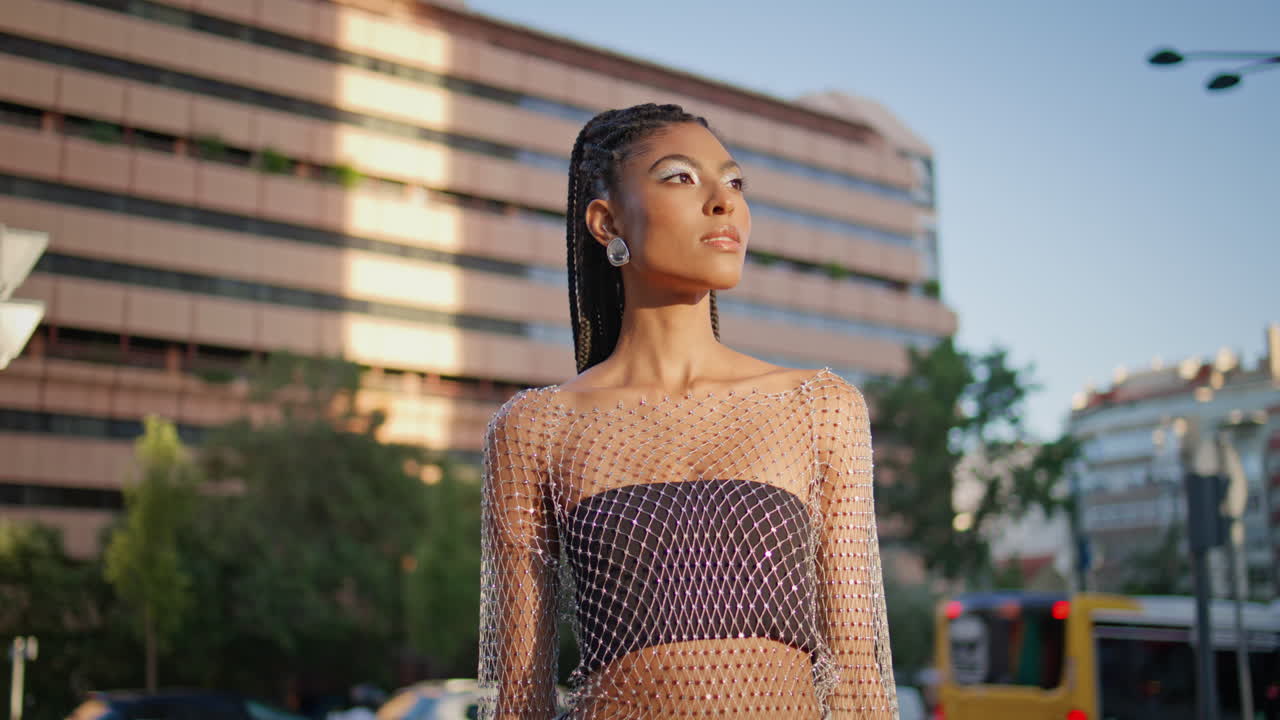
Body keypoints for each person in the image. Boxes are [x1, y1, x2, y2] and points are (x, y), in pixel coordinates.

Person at [478, 103, 897, 719]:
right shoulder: (536, 428)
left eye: (733, 182)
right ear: (606, 221)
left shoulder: (818, 407)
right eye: (680, 176)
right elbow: (518, 700)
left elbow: (858, 674)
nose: (723, 202)